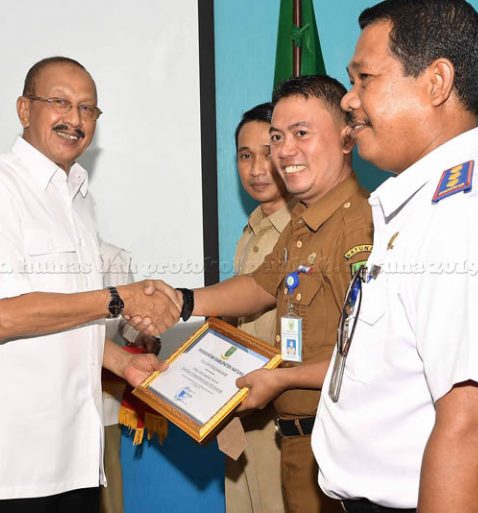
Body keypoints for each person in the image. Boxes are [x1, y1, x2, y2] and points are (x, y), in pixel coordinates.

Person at [312, 2, 478, 512]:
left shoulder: (467, 219)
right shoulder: (426, 207)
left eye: (365, 78)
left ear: (436, 82)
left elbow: (475, 430)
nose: (348, 99)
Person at [0, 56, 179, 512]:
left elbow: (67, 320)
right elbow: (4, 316)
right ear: (24, 109)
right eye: (60, 102)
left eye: (87, 108)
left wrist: (122, 363)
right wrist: (120, 298)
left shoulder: (79, 199)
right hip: (9, 465)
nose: (75, 119)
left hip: (76, 457)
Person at [172, 75, 373, 513]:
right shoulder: (304, 220)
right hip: (299, 441)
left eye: (301, 133)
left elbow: (369, 357)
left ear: (347, 137)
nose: (283, 151)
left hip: (339, 442)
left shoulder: (359, 225)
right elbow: (260, 286)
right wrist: (180, 301)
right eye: (278, 136)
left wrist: (280, 379)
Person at [225, 102, 290, 513]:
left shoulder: (306, 230)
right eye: (245, 156)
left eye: (268, 153)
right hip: (241, 411)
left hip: (284, 415)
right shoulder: (251, 229)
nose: (256, 169)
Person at [99, 238, 161, 513]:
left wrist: (143, 335)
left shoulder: (114, 259)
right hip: (50, 389)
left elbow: (127, 321)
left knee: (105, 469)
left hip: (101, 387)